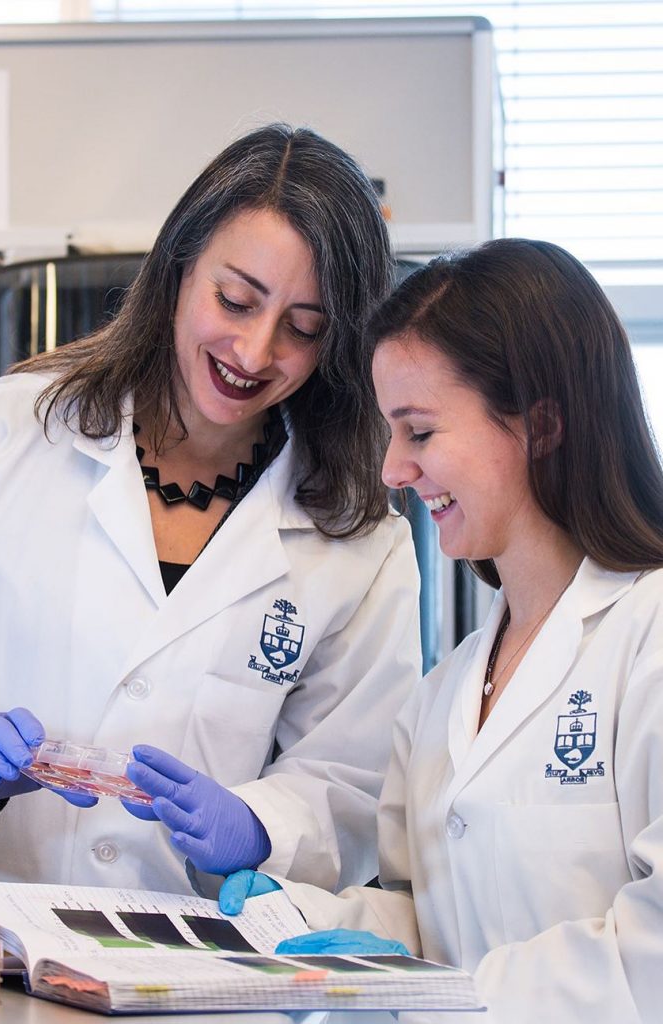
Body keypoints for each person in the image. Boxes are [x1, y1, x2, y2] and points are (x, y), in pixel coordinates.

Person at [0, 123, 421, 893]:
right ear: (178, 268)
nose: (255, 352)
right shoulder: (1, 436)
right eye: (234, 300)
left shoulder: (358, 540)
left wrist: (262, 825)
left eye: (302, 330)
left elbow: (353, 786)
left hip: (196, 979)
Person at [219, 238, 663, 1022]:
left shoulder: (648, 636)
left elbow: (651, 955)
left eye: (419, 432)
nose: (393, 470)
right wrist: (303, 922)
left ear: (542, 424)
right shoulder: (446, 693)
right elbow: (426, 922)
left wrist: (442, 994)